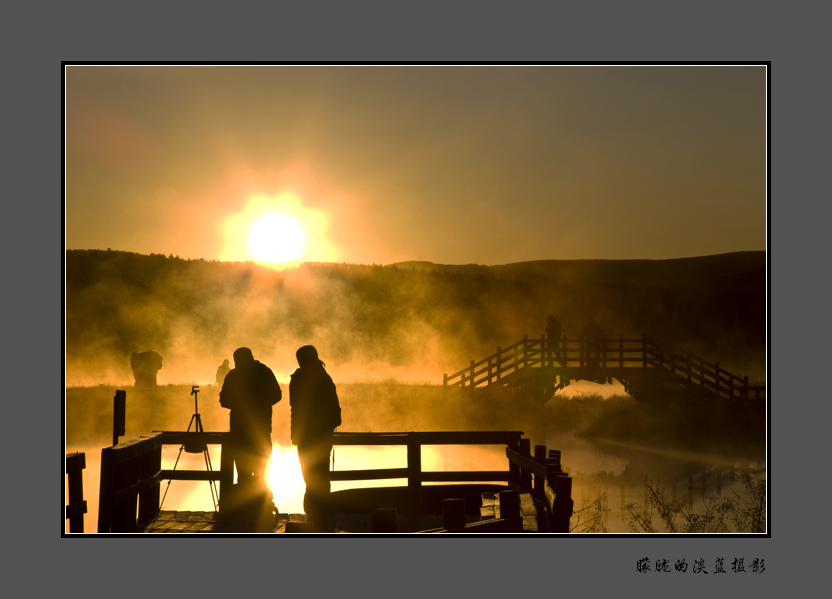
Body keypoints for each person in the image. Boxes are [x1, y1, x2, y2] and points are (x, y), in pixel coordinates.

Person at [219, 347, 282, 504]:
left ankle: (256, 506)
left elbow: (276, 394)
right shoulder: (262, 372)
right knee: (253, 471)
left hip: (247, 431)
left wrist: (247, 403)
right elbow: (223, 399)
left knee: (255, 471)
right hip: (254, 430)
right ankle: (256, 506)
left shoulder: (238, 375)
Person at [290, 345, 341, 528]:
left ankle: (315, 513)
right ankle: (319, 514)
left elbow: (295, 408)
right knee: (319, 474)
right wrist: (331, 424)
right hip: (318, 436)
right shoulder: (323, 377)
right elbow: (335, 409)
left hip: (306, 436)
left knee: (311, 475)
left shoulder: (298, 378)